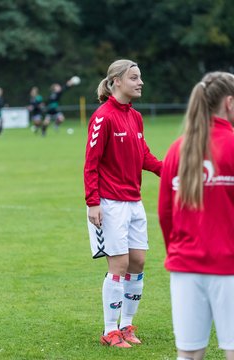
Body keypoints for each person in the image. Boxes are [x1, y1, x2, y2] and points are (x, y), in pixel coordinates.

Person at [84, 59, 162, 348]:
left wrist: (170, 171)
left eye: (139, 77)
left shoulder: (136, 117)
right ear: (117, 81)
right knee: (118, 264)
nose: (140, 82)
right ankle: (110, 331)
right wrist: (93, 202)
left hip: (134, 202)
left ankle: (127, 326)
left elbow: (144, 157)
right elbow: (90, 164)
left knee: (138, 262)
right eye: (134, 77)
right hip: (109, 203)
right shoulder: (103, 117)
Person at [158, 71, 234, 360]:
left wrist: (179, 253)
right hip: (228, 266)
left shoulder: (177, 149)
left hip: (185, 266)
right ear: (228, 102)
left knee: (188, 354)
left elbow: (165, 214)